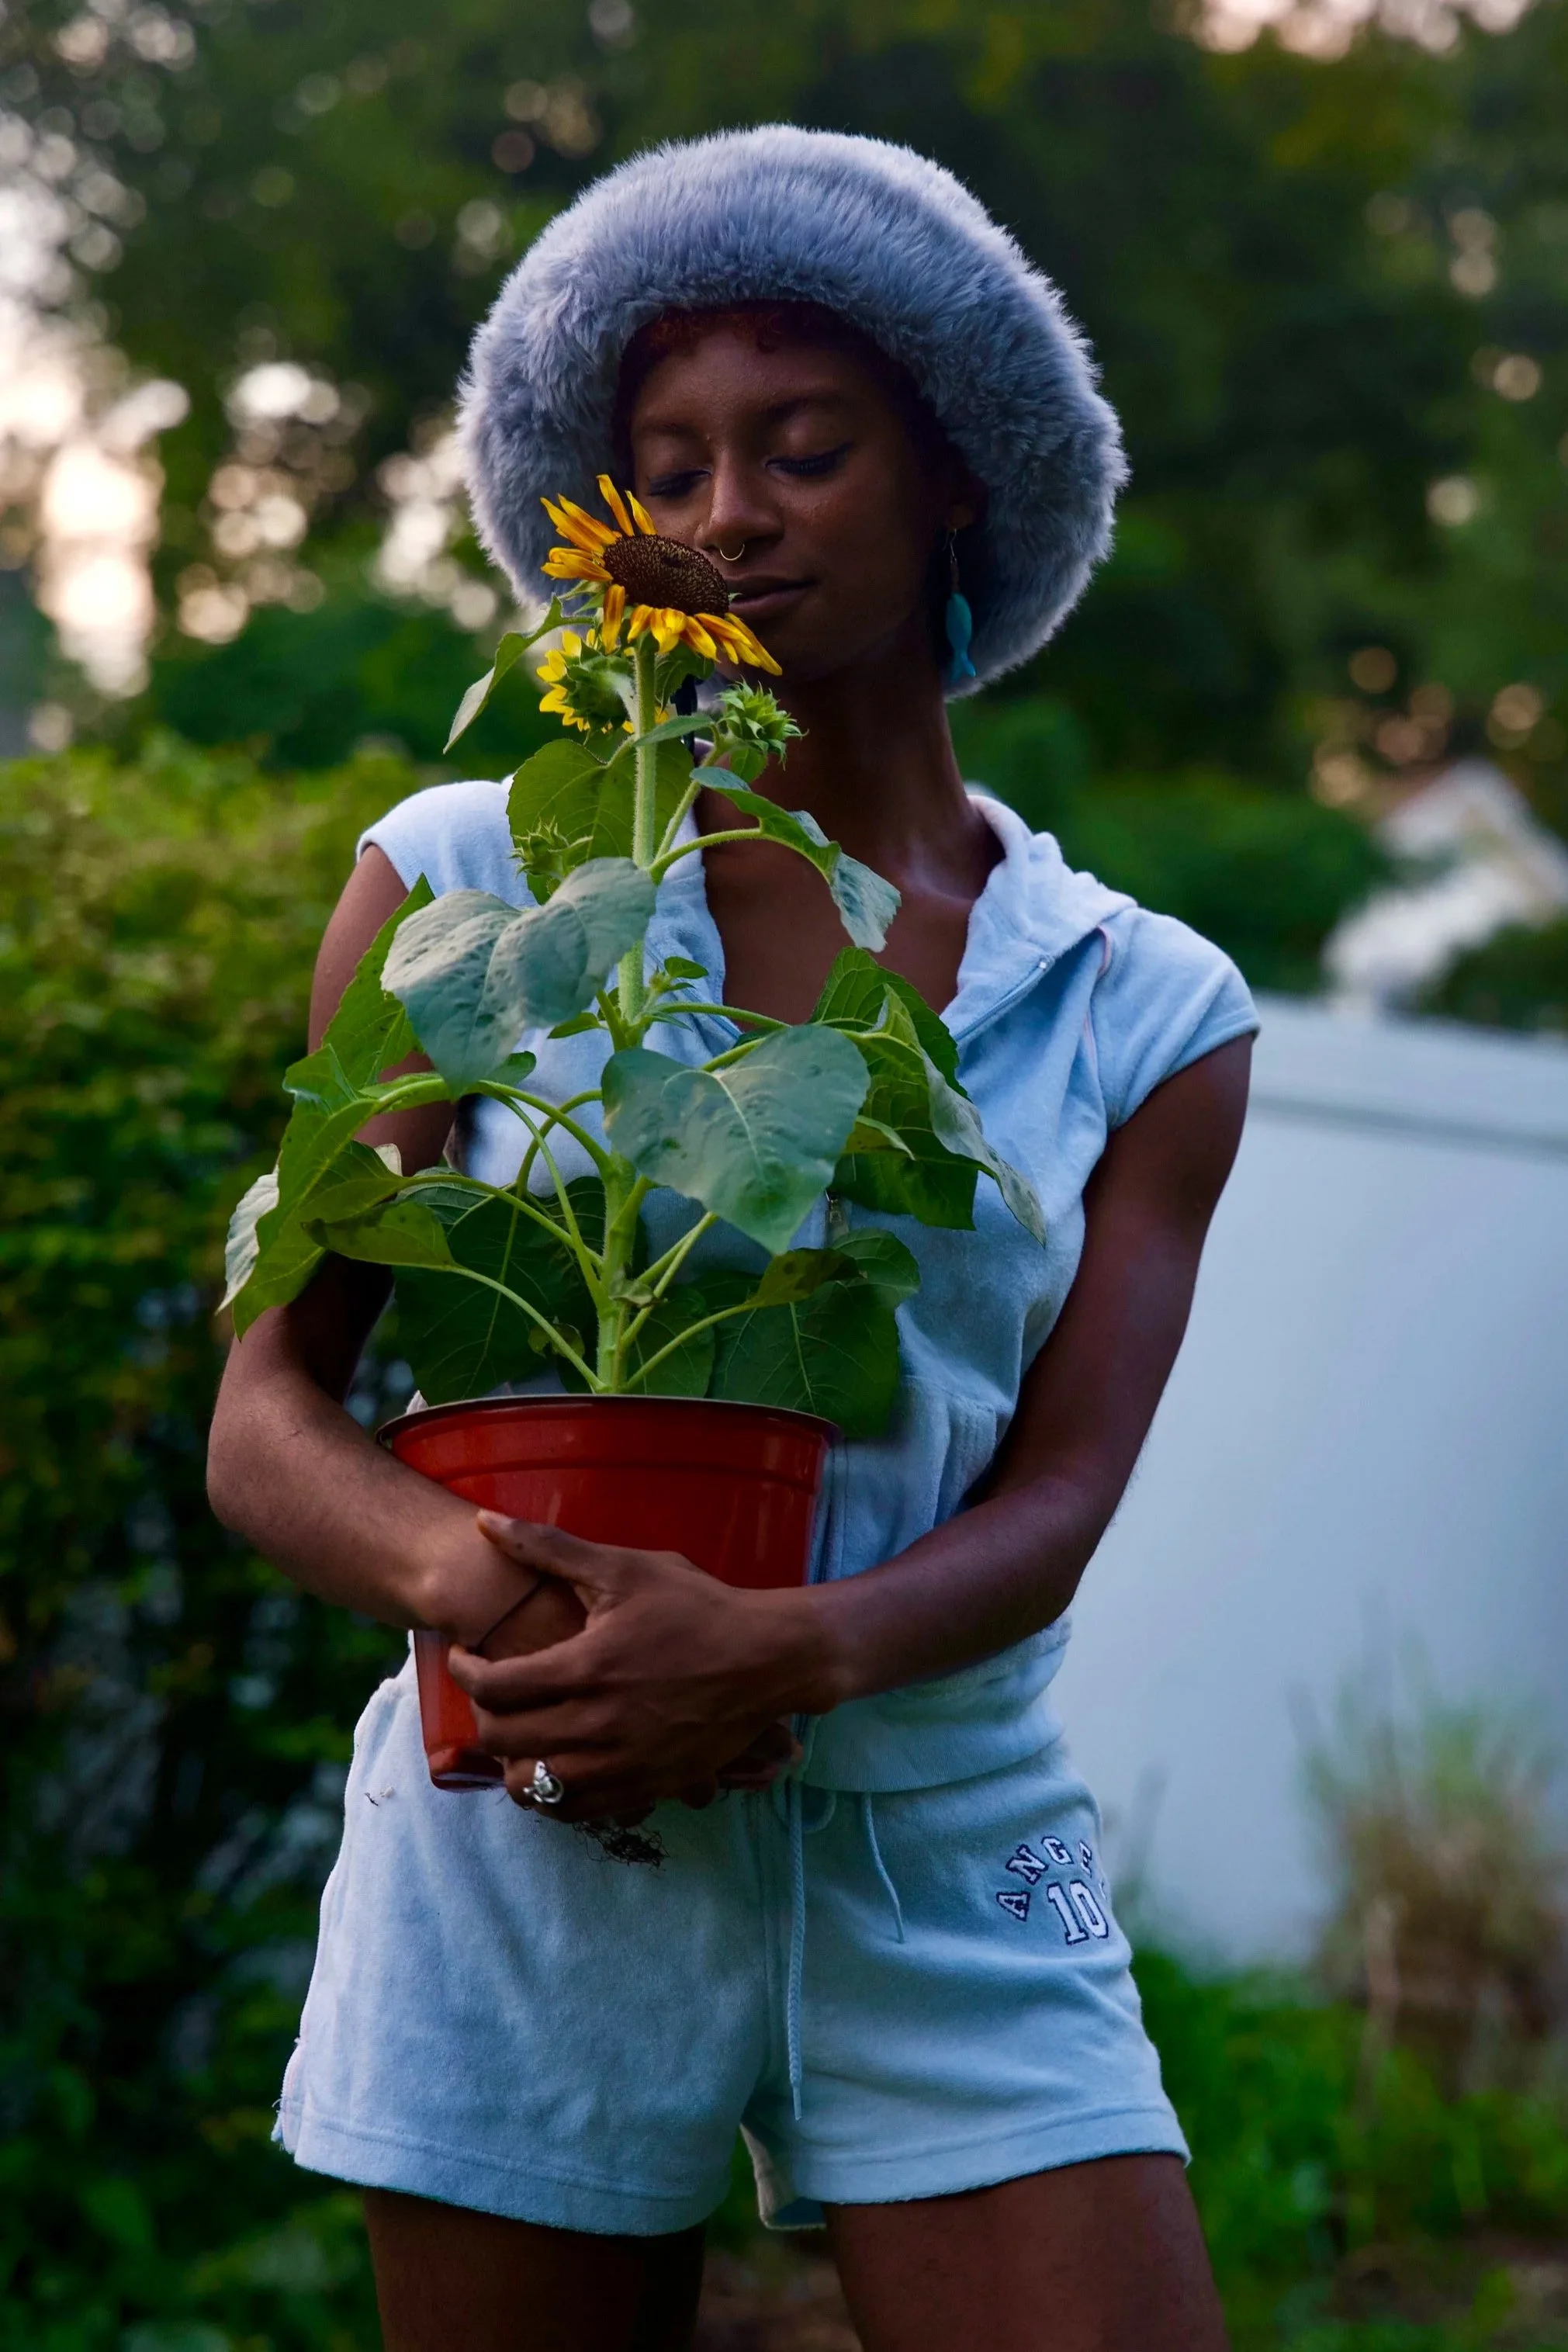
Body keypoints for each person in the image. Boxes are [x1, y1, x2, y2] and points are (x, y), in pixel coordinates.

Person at [208, 126, 1258, 2352]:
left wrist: (779, 1653)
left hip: (936, 1835)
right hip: (528, 1815)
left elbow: (1062, 1492)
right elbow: (269, 1405)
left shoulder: (1141, 999)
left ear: (954, 472)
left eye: (801, 447)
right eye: (663, 468)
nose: (722, 520)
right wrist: (488, 1597)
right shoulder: (473, 871)